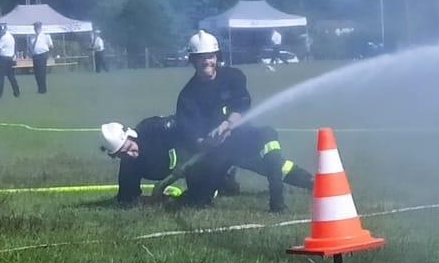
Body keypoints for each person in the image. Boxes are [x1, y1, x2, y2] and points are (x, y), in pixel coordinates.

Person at [174, 30, 299, 209]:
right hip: (214, 152)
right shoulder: (187, 96)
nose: (207, 61)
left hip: (242, 139)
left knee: (269, 138)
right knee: (199, 200)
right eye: (201, 57)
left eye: (210, 56)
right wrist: (207, 142)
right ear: (193, 60)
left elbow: (242, 104)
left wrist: (227, 124)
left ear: (216, 57)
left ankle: (280, 197)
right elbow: (189, 131)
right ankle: (223, 184)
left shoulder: (233, 77)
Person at [100, 117, 313, 209]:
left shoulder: (155, 129)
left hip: (207, 151)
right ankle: (224, 182)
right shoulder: (128, 167)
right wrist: (153, 198)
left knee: (262, 163)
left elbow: (186, 125)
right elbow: (128, 200)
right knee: (200, 198)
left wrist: (203, 143)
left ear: (132, 135)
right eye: (122, 155)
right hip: (198, 172)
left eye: (129, 148)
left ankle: (310, 181)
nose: (131, 155)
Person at [0, 23, 20, 98]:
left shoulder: (3, 38)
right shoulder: (11, 36)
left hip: (3, 59)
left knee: (0, 77)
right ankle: (17, 92)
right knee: (11, 76)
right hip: (10, 58)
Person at [29, 21, 52, 94]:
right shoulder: (31, 37)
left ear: (41, 28)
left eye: (38, 27)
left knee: (42, 72)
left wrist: (46, 50)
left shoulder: (46, 36)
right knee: (36, 73)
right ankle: (39, 88)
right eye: (35, 27)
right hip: (35, 55)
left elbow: (51, 45)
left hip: (43, 55)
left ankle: (43, 89)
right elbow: (31, 47)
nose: (36, 29)